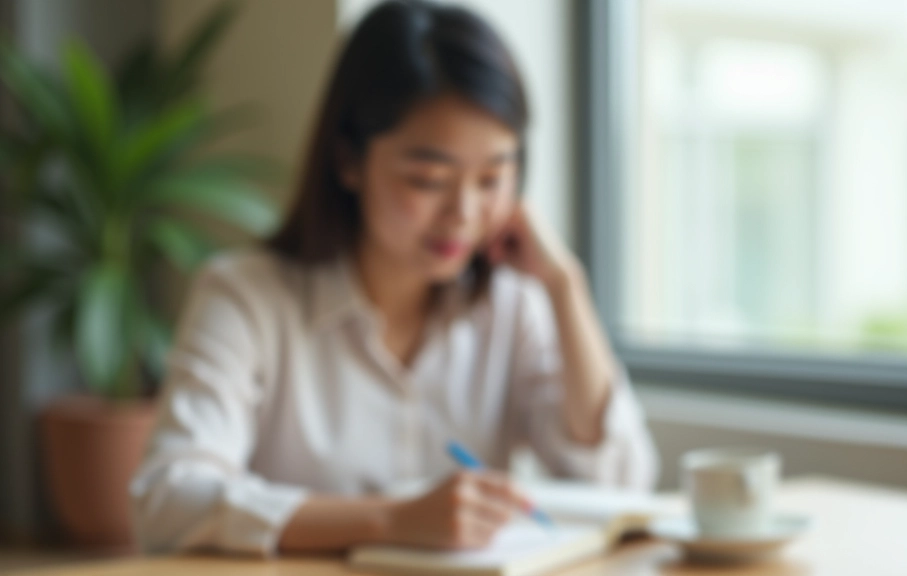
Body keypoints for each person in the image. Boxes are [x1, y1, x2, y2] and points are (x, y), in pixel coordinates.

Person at [130, 0, 658, 557]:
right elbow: (168, 500)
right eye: (428, 179)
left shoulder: (512, 307)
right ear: (348, 161)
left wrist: (566, 286)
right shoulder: (246, 298)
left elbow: (620, 484)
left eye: (492, 179)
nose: (463, 212)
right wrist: (388, 520)